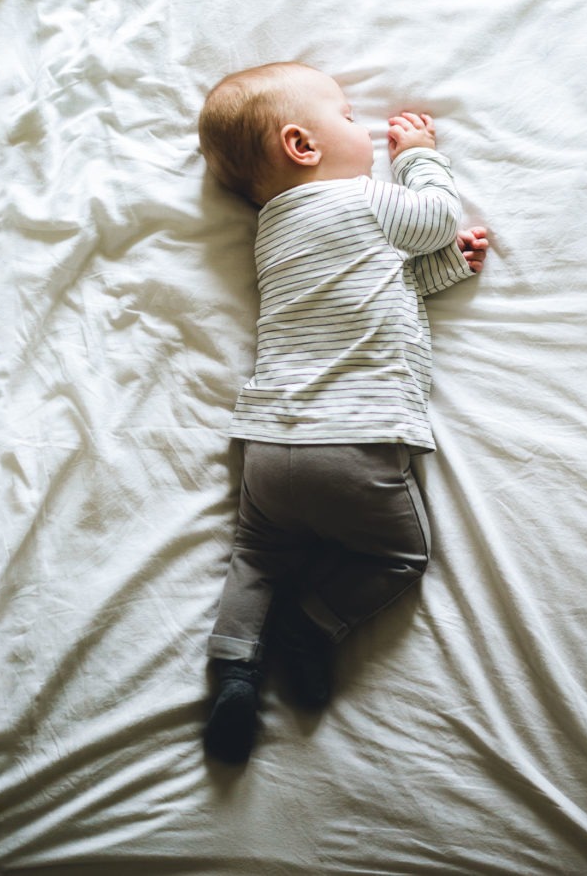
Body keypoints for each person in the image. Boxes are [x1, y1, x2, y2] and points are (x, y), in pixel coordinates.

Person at [198, 61, 487, 763]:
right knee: (400, 554)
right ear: (303, 146)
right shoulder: (366, 198)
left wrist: (445, 268)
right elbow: (436, 219)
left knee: (258, 555)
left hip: (269, 444)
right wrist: (417, 157)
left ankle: (235, 665)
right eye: (350, 118)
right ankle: (312, 624)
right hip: (357, 447)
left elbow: (378, 279)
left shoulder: (273, 229)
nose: (366, 131)